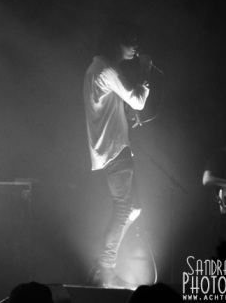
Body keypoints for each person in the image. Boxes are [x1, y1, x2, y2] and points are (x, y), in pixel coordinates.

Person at [84, 22, 151, 289]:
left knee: (132, 208)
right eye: (129, 40)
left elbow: (107, 106)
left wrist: (124, 116)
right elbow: (139, 100)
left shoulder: (97, 68)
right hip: (114, 149)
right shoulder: (107, 70)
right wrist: (145, 70)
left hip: (112, 147)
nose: (135, 45)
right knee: (124, 210)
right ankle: (105, 269)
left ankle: (104, 261)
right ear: (115, 42)